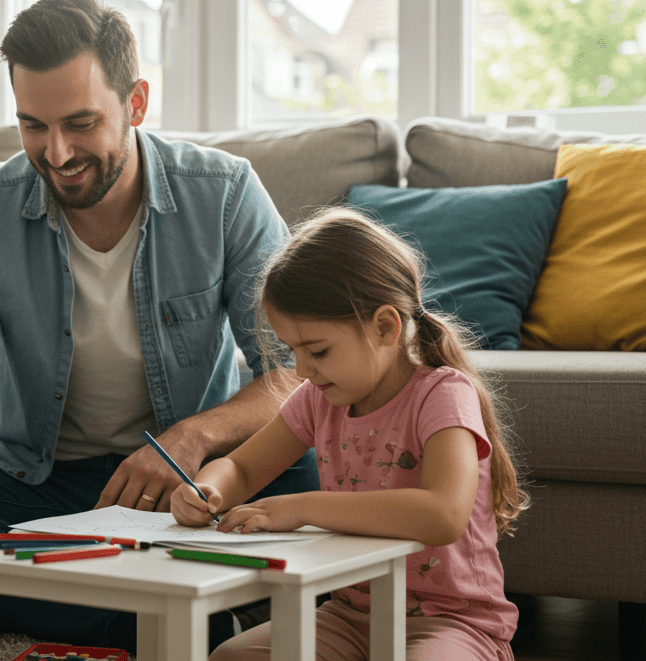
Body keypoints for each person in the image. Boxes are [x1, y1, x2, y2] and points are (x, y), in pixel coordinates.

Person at [0, 0, 317, 649]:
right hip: (48, 479)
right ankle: (178, 602)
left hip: (198, 478)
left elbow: (293, 373)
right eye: (33, 125)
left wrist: (191, 439)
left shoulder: (226, 194)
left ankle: (108, 596)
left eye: (80, 123)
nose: (56, 153)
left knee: (315, 470)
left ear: (136, 104)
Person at [173, 207, 527, 661]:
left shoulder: (443, 395)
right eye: (292, 350)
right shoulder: (317, 398)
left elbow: (443, 514)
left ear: (385, 326)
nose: (301, 369)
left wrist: (301, 507)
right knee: (232, 656)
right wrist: (208, 488)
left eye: (317, 350)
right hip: (347, 615)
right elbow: (241, 466)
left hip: (452, 621)